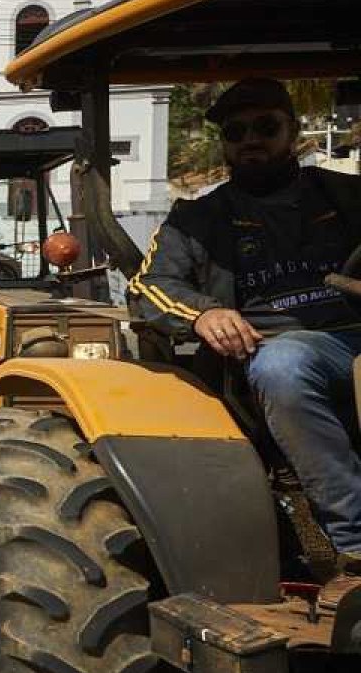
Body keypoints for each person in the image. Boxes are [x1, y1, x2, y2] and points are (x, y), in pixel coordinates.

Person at [131, 77, 361, 561]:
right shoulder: (196, 219)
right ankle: (353, 544)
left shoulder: (345, 196)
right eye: (236, 132)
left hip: (351, 334)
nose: (251, 140)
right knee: (284, 366)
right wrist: (204, 313)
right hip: (277, 351)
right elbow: (149, 286)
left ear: (293, 131)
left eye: (265, 127)